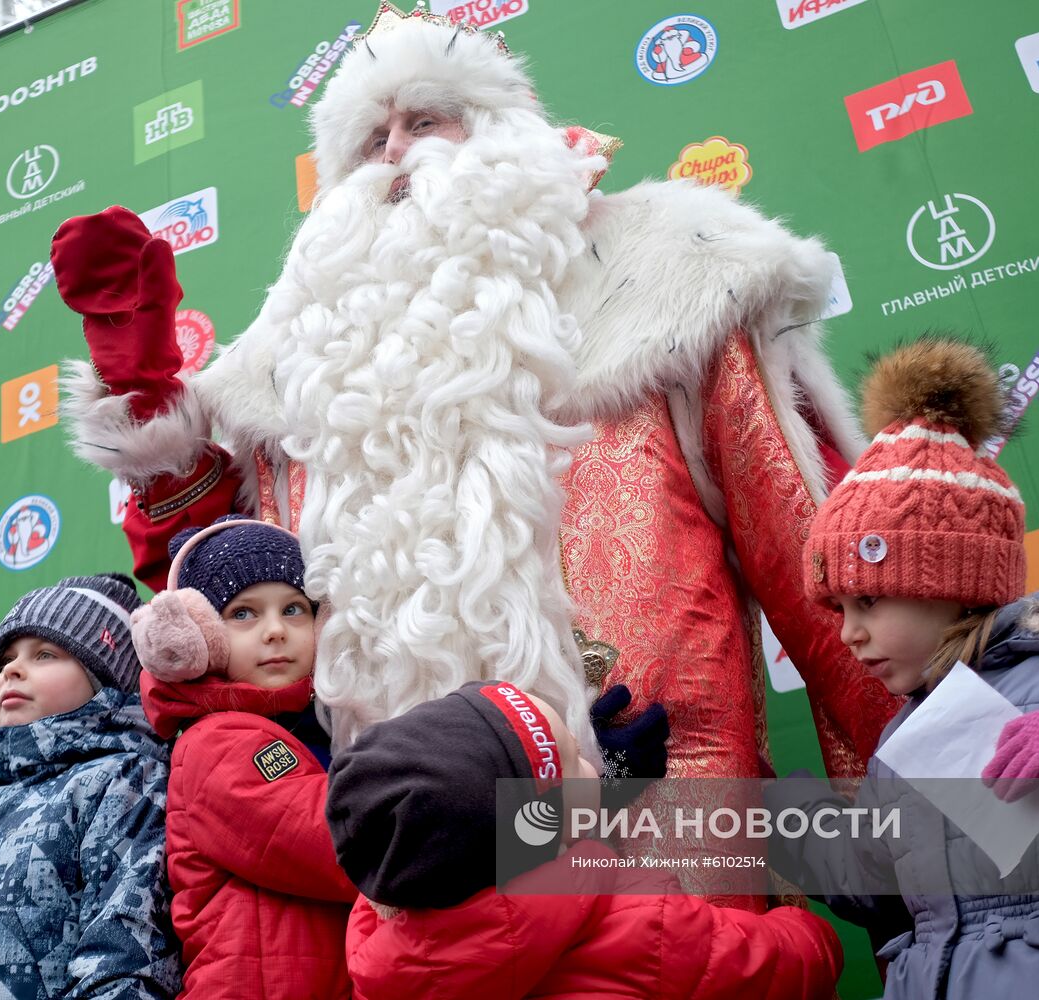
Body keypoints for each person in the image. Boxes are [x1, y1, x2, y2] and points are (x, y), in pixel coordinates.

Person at [51, 2, 898, 895]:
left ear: (502, 132)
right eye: (369, 139)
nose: (397, 155)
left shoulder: (668, 274)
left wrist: (931, 851)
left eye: (424, 121)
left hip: (666, 821)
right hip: (418, 865)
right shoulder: (297, 360)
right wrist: (147, 404)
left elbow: (819, 556)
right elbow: (231, 589)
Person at [764, 336, 1039, 998]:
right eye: (839, 607)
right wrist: (776, 809)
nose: (848, 633)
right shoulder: (906, 739)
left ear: (951, 583)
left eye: (870, 601)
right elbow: (874, 880)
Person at [325, 679, 844, 999]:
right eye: (575, 759)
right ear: (540, 828)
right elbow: (776, 966)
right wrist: (809, 931)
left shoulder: (378, 956)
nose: (594, 770)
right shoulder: (639, 924)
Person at [0, 575, 181, 1000]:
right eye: (6, 657)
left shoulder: (123, 780)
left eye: (45, 654)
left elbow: (126, 956)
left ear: (105, 681)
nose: (12, 669)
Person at [130, 515, 358, 999]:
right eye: (243, 614)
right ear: (201, 639)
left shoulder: (324, 725)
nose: (275, 631)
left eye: (294, 609)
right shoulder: (217, 743)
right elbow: (342, 844)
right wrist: (525, 831)